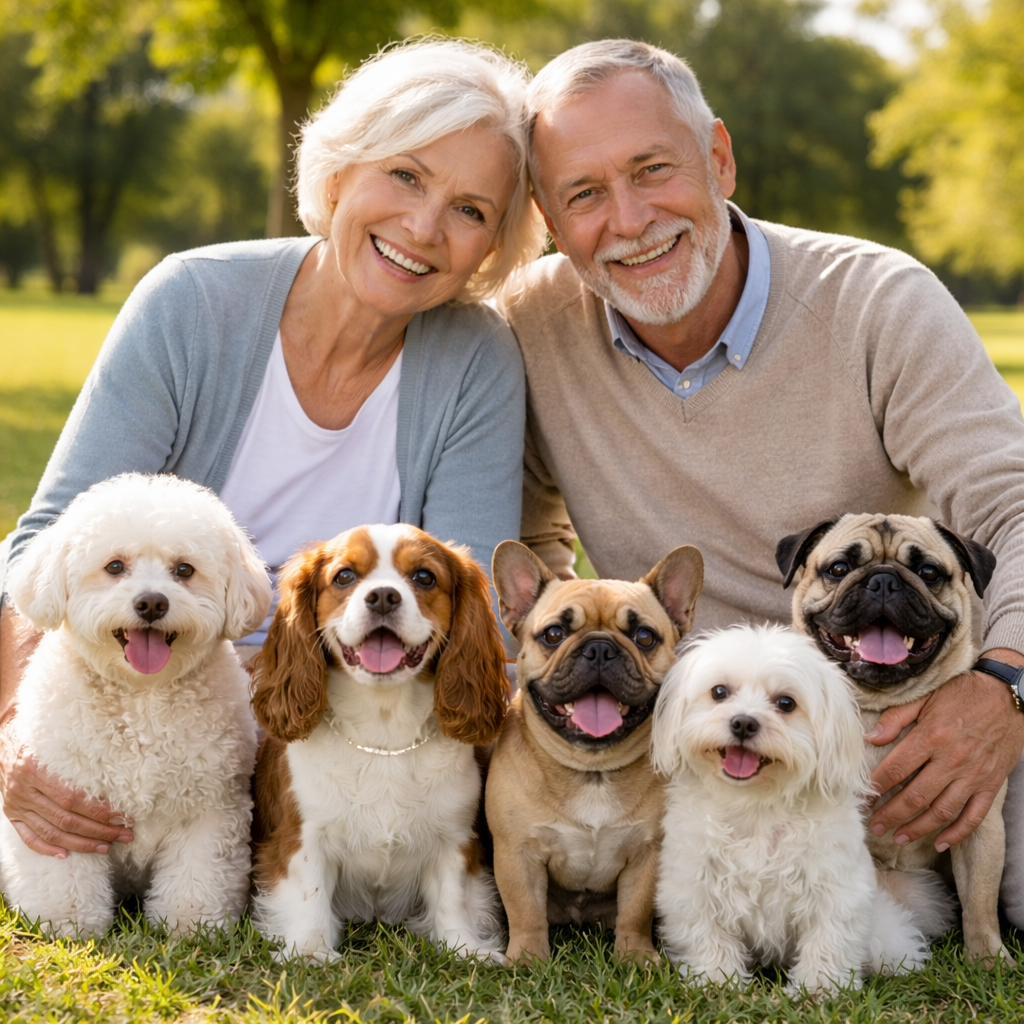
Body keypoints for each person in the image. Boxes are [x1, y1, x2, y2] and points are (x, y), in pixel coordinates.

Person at [498, 39, 1024, 923]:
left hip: (891, 717)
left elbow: (1013, 507)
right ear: (548, 216)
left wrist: (1004, 683)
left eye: (652, 169)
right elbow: (525, 537)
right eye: (583, 193)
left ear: (719, 159)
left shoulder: (877, 301)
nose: (627, 220)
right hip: (686, 736)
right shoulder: (529, 324)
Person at [0, 38, 546, 860]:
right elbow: (44, 548)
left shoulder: (477, 358)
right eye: (404, 175)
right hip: (141, 713)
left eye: (471, 210)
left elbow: (472, 618)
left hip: (337, 753)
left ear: (492, 247)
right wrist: (19, 738)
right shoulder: (192, 301)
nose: (424, 227)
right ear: (339, 171)